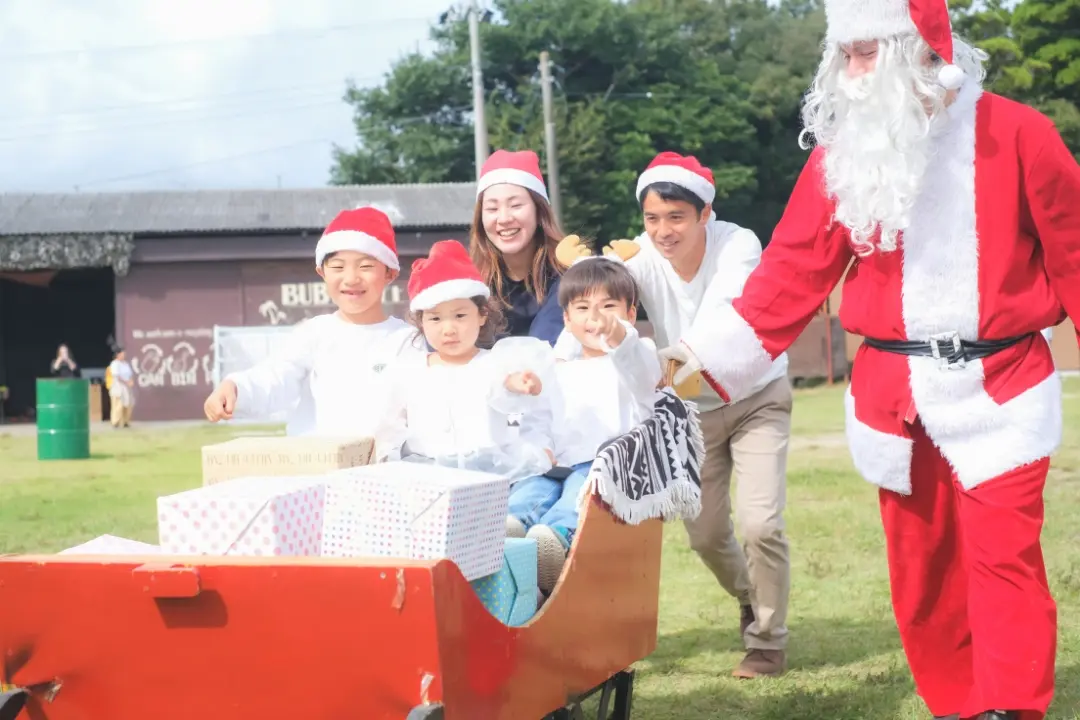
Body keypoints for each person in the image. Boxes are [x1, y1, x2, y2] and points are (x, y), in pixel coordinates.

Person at [661, 0, 1080, 717]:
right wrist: (691, 361)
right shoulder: (843, 155)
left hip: (1001, 385)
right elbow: (792, 271)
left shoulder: (1019, 134)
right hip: (893, 392)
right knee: (922, 571)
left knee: (1004, 558)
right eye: (844, 57)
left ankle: (1012, 706)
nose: (852, 75)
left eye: (867, 55)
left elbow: (1075, 253)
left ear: (921, 49)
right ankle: (958, 702)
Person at [557, 152, 794, 678]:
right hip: (690, 412)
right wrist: (561, 361)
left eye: (676, 217)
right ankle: (751, 598)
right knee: (705, 535)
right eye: (652, 218)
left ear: (705, 213)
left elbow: (723, 321)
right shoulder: (638, 258)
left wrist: (654, 359)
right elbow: (594, 306)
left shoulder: (739, 245)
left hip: (757, 396)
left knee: (761, 522)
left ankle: (768, 642)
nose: (663, 231)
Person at [508, 237, 663, 592]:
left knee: (577, 494)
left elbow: (640, 373)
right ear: (566, 317)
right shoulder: (554, 366)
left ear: (630, 311)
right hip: (552, 465)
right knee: (527, 492)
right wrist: (523, 420)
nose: (595, 318)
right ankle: (512, 532)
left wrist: (620, 338)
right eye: (582, 308)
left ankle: (554, 543)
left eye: (608, 305)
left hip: (600, 466)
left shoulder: (637, 354)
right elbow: (529, 421)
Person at [203, 207, 419, 436]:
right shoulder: (315, 333)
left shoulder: (408, 340)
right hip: (317, 465)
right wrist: (237, 388)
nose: (351, 278)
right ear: (322, 272)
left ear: (390, 273)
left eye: (366, 266)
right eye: (337, 267)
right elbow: (277, 375)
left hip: (386, 467)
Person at [376, 238, 556, 505]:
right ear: (421, 322)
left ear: (482, 314)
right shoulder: (409, 370)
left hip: (491, 479)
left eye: (460, 316)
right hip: (428, 481)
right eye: (435, 318)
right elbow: (389, 425)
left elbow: (517, 415)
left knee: (538, 489)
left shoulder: (496, 364)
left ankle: (517, 525)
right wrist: (391, 458)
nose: (448, 329)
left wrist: (525, 440)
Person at [470, 149, 567, 346]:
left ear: (539, 211)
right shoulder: (468, 283)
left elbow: (543, 344)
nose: (504, 219)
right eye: (492, 209)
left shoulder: (570, 277)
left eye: (515, 205)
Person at [107, 348, 135, 428]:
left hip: (127, 387)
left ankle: (126, 421)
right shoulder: (114, 364)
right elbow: (117, 376)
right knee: (118, 404)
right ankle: (115, 422)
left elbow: (130, 374)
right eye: (122, 353)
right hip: (118, 386)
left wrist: (130, 381)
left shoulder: (125, 364)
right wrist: (126, 382)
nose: (124, 355)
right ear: (118, 355)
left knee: (128, 404)